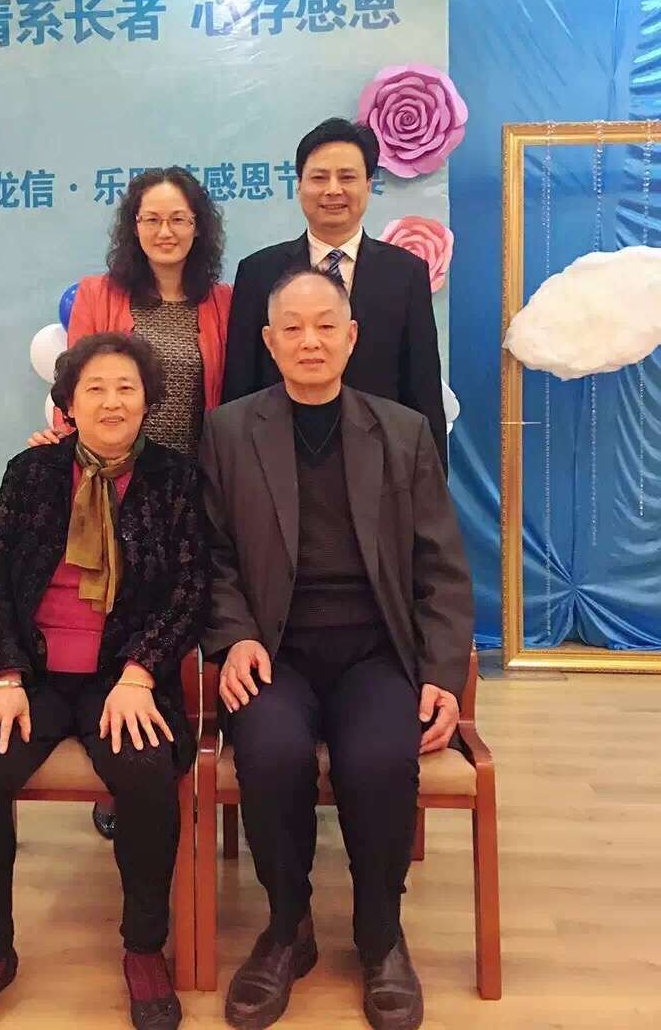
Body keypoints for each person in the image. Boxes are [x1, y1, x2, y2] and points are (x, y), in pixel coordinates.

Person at [0, 332, 210, 1030]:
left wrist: (141, 672)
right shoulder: (32, 472)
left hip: (123, 674)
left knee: (145, 773)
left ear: (148, 401)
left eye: (126, 388)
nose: (112, 401)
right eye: (95, 388)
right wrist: (2, 673)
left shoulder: (176, 478)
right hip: (31, 675)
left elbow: (191, 588)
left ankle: (143, 948)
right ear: (68, 402)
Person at [199, 269, 473, 1030]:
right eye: (292, 327)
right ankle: (287, 927)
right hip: (275, 649)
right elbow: (212, 557)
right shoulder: (229, 432)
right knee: (271, 752)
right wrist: (236, 637)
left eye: (326, 326)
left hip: (374, 651)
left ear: (351, 338)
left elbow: (442, 566)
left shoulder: (402, 431)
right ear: (269, 341)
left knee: (380, 758)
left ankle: (381, 934)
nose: (310, 341)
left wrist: (442, 673)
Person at [28, 164, 231, 838]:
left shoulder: (224, 303)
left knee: (185, 613)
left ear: (198, 227)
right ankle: (122, 767)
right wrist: (59, 445)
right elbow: (79, 383)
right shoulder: (100, 293)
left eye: (178, 218)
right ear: (133, 227)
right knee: (118, 615)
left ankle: (180, 750)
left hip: (193, 486)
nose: (164, 231)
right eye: (151, 219)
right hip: (115, 482)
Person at [221, 118, 448, 471]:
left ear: (368, 186)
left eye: (347, 177)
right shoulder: (258, 272)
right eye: (319, 177)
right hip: (277, 466)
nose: (332, 190)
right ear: (299, 185)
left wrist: (432, 483)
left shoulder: (405, 274)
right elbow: (240, 386)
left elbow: (423, 388)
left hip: (381, 467)